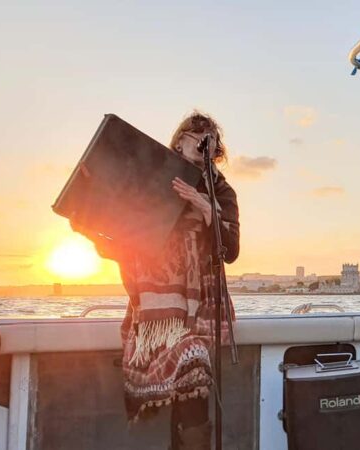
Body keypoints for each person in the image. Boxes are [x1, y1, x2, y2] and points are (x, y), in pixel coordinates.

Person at [71, 111, 240, 450]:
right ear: (179, 139)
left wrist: (207, 208)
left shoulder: (222, 192)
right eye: (196, 133)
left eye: (212, 138)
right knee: (190, 376)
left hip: (204, 308)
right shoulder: (152, 180)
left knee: (193, 379)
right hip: (158, 315)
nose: (205, 140)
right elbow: (127, 244)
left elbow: (231, 251)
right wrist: (87, 224)